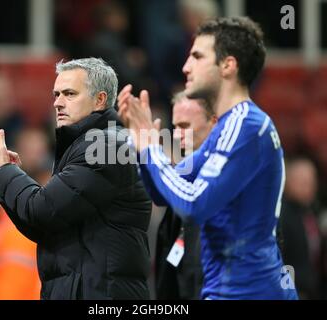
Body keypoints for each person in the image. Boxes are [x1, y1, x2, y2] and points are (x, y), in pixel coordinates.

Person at [118, 17, 299, 300]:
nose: (185, 66)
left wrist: (152, 148)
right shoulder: (231, 126)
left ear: (228, 65)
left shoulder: (247, 125)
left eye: (197, 56)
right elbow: (165, 191)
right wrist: (142, 146)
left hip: (248, 294)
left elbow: (194, 204)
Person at [0, 57, 152, 300]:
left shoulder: (105, 146)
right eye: (56, 94)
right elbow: (44, 225)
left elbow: (43, 210)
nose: (58, 102)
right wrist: (10, 173)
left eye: (69, 94)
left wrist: (3, 171)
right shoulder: (86, 145)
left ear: (100, 99)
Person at [155, 92, 216, 300]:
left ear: (214, 123)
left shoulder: (232, 181)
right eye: (175, 127)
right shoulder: (181, 178)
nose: (176, 135)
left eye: (185, 127)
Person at [279, 157, 324, 299]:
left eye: (312, 181)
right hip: (294, 290)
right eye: (303, 182)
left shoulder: (312, 209)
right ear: (289, 183)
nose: (310, 186)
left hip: (312, 288)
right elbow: (280, 261)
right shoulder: (282, 216)